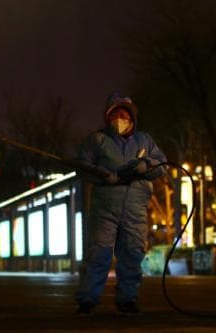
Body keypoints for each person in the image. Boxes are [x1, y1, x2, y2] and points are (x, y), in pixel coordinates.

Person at [75, 93, 167, 315]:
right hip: (104, 208)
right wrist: (103, 176)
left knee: (133, 254)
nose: (120, 117)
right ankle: (88, 299)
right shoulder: (97, 140)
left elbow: (162, 166)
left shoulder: (145, 140)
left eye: (124, 113)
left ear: (132, 117)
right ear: (108, 117)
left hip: (135, 210)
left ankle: (127, 299)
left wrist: (148, 164)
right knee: (98, 253)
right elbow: (82, 166)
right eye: (115, 113)